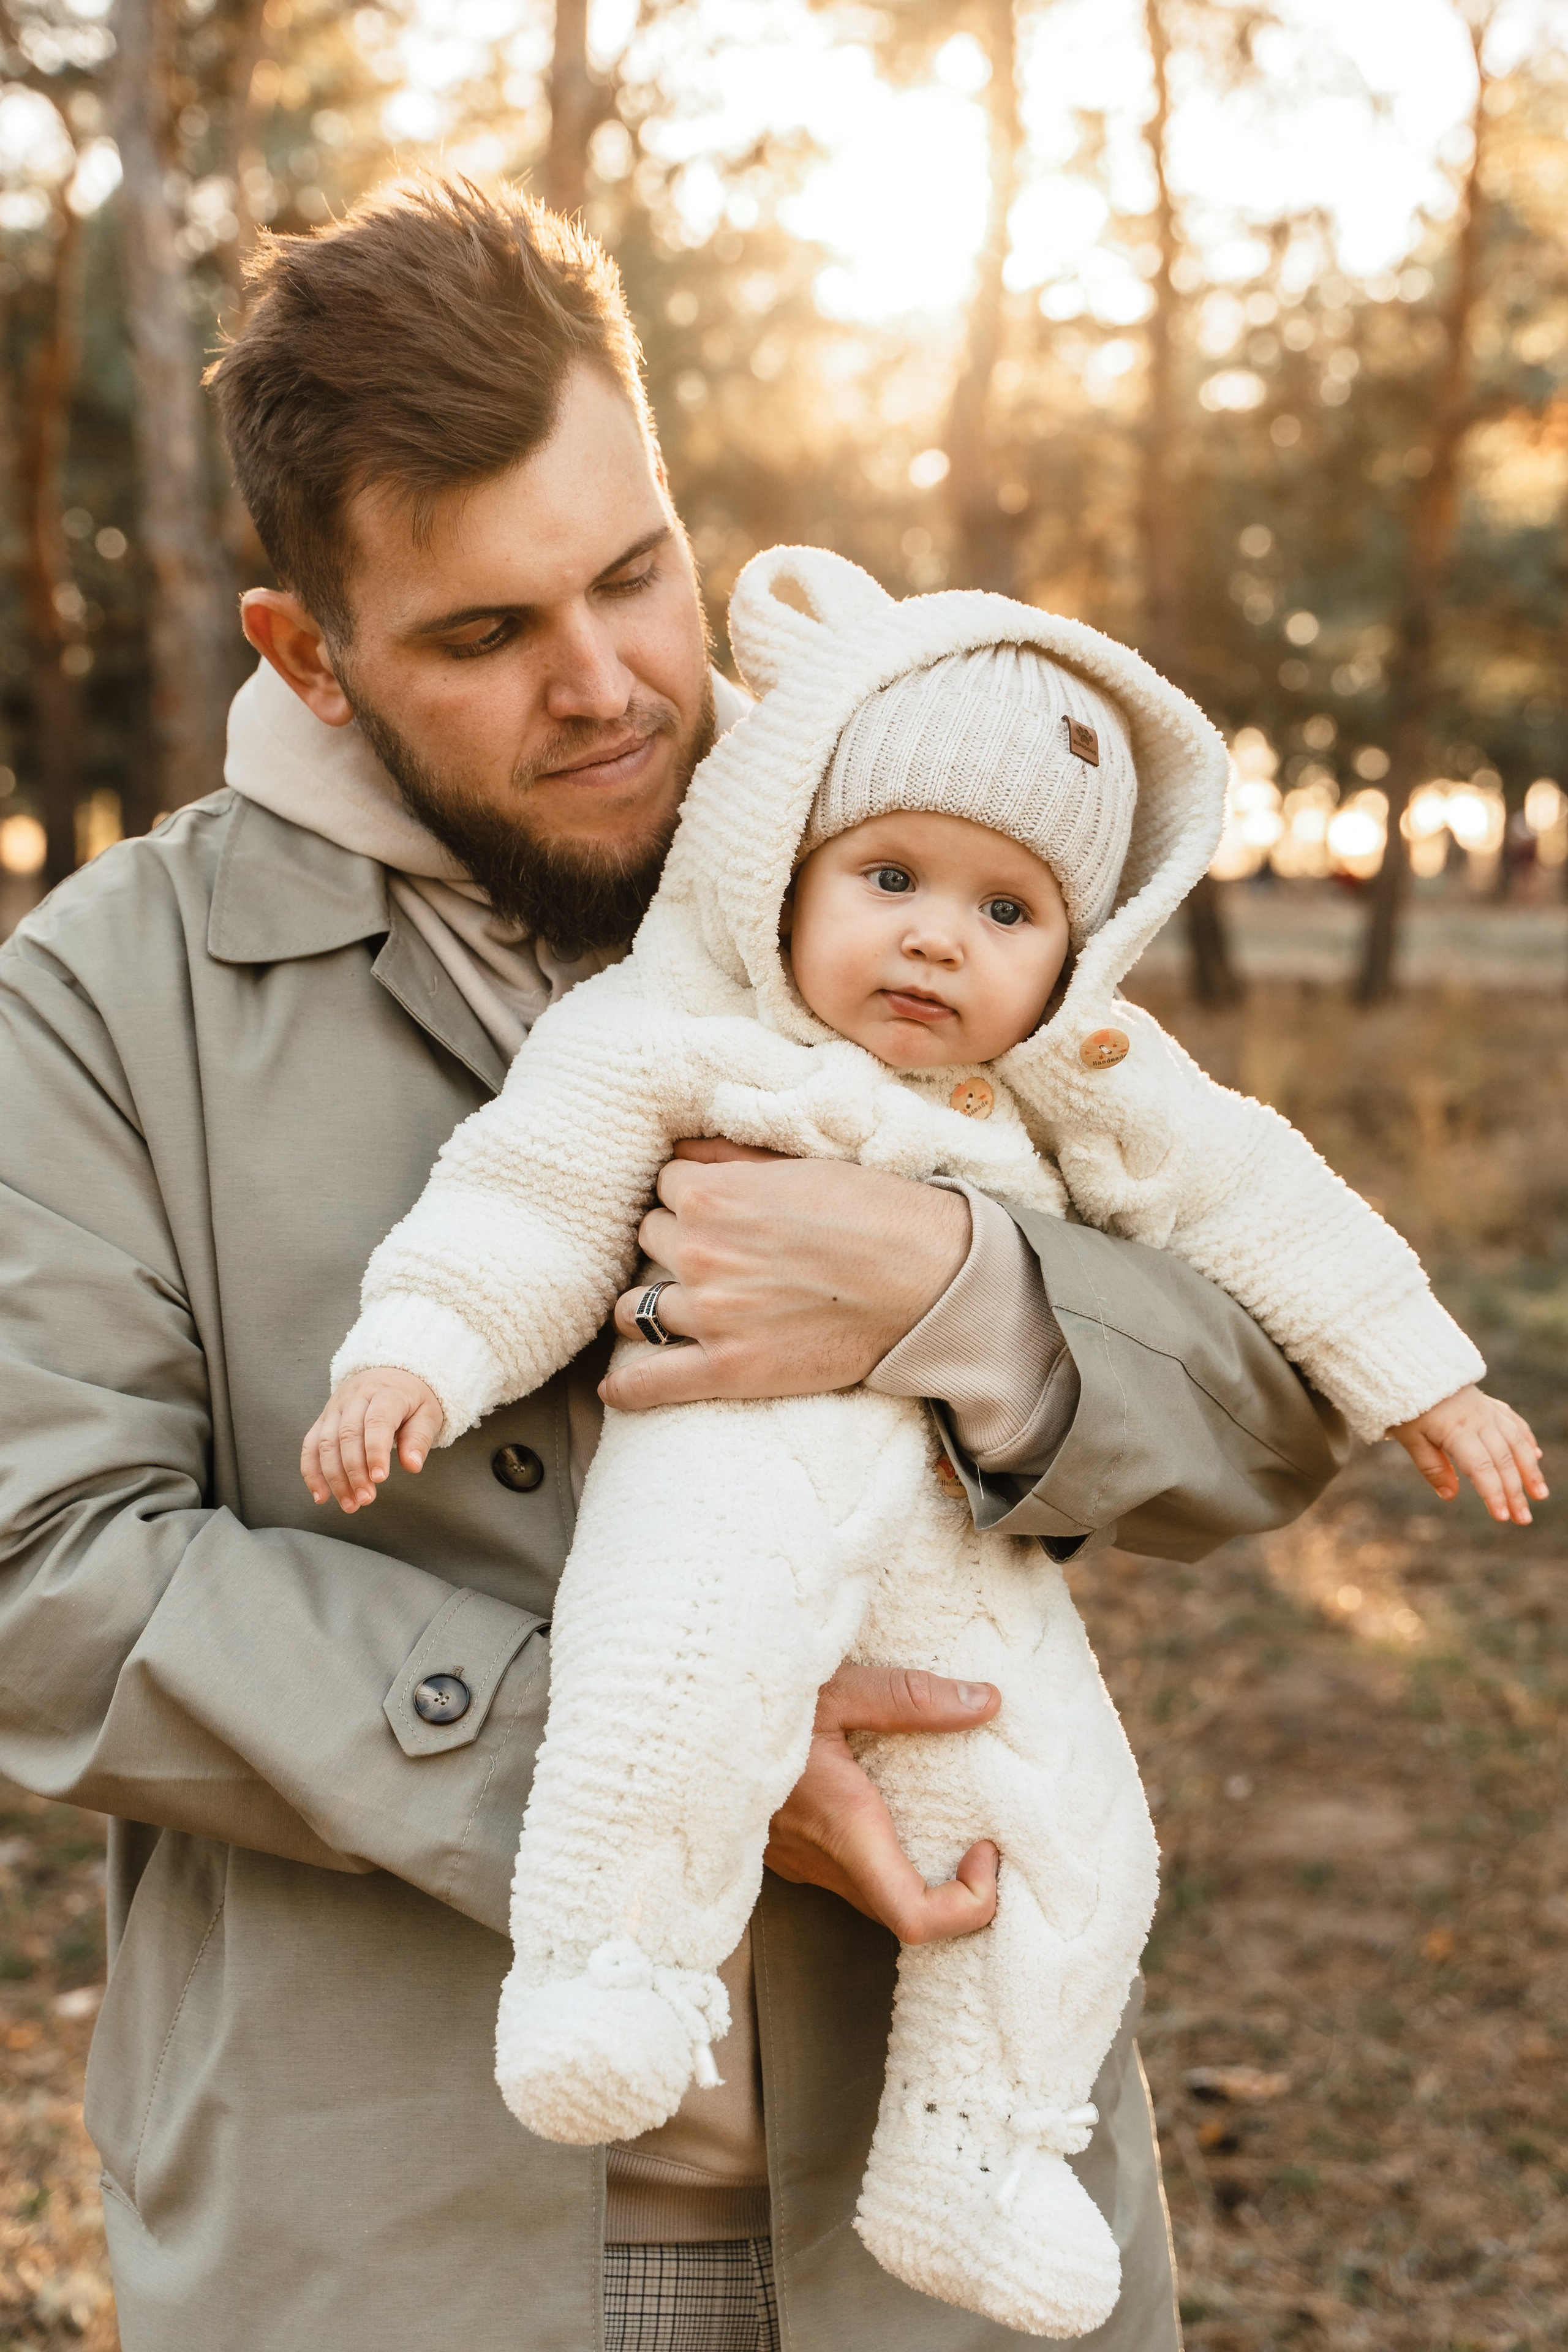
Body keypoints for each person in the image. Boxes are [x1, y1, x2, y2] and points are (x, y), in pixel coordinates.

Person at [0, 178, 1353, 2352]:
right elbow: (39, 1570)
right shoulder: (98, 994)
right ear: (305, 653)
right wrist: (643, 1747)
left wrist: (968, 1299)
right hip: (378, 2252)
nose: (616, 684)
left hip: (936, 2248)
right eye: (482, 636)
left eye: (635, 573)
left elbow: (1281, 1383)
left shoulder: (927, 858)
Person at [304, 546, 1544, 2341]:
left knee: (1072, 1835)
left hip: (958, 1551)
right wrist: (418, 1350)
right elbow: (527, 1202)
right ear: (786, 866)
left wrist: (1428, 1378)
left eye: (1008, 911)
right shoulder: (673, 1033)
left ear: (1079, 949)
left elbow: (1266, 1206)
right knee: (669, 1687)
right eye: (889, 877)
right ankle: (611, 1970)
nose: (936, 939)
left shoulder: (1077, 1078)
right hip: (728, 1464)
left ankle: (979, 2151)